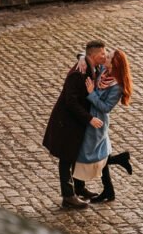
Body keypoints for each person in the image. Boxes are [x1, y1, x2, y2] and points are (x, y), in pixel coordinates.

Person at [42, 40, 107, 209]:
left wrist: (81, 56)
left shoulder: (93, 66)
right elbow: (70, 102)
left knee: (77, 154)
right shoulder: (77, 74)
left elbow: (84, 54)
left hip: (76, 123)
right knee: (67, 158)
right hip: (67, 123)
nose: (105, 55)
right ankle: (68, 196)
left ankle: (79, 188)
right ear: (93, 55)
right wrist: (89, 118)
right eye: (102, 53)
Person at [73, 47, 134, 204]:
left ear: (114, 65)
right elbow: (86, 56)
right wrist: (81, 58)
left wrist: (92, 93)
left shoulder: (117, 87)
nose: (105, 57)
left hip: (97, 123)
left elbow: (106, 107)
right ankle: (108, 189)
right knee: (97, 154)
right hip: (89, 118)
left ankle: (80, 189)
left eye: (108, 57)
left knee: (90, 154)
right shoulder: (103, 71)